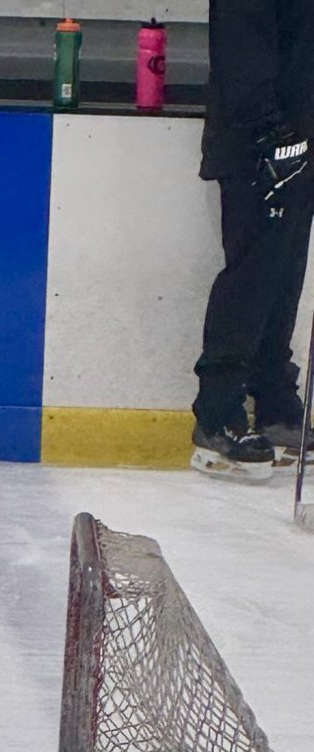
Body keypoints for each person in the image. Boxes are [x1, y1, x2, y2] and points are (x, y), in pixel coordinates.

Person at [191, 0, 314, 481]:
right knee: (254, 272)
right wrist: (272, 135)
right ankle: (217, 412)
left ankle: (275, 400)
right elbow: (242, 59)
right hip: (258, 146)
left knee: (285, 273)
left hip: (300, 141)